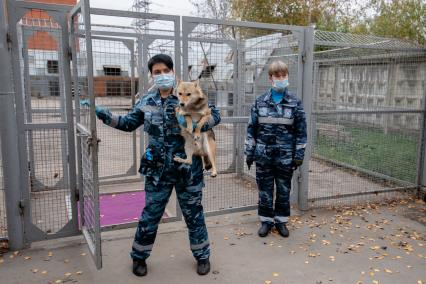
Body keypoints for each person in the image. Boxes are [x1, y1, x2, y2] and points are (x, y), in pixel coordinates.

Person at [82, 54, 220, 276]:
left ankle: (202, 256)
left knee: (194, 214)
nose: (163, 75)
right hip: (158, 171)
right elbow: (128, 123)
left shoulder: (188, 93)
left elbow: (216, 115)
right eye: (157, 72)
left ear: (173, 72)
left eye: (166, 71)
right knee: (151, 215)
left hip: (188, 170)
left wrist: (200, 124)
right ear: (152, 75)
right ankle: (139, 257)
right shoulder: (146, 101)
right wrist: (103, 114)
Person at [244, 60, 307, 238]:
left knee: (283, 190)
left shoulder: (295, 102)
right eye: (277, 76)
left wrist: (299, 155)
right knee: (264, 190)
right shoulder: (259, 102)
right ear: (270, 78)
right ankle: (266, 221)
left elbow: (301, 132)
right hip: (263, 157)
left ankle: (281, 221)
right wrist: (249, 153)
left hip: (285, 158)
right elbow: (251, 130)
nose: (281, 78)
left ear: (287, 76)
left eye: (283, 75)